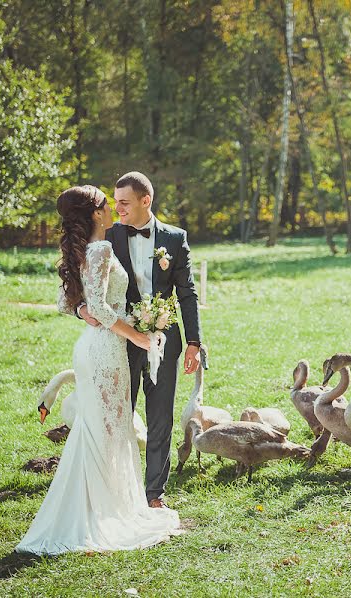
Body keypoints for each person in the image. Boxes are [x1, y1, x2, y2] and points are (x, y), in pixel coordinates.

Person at [16, 185, 182, 555]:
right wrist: (139, 338)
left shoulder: (82, 250)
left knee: (103, 429)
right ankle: (102, 516)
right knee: (110, 429)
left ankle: (102, 508)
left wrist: (81, 311)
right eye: (107, 205)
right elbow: (104, 312)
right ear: (94, 213)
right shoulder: (102, 249)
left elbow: (66, 301)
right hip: (106, 350)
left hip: (92, 349)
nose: (112, 209)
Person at [77, 171, 203, 508]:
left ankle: (154, 495)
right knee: (121, 414)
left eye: (124, 203)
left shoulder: (175, 239)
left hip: (166, 339)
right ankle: (115, 489)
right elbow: (79, 278)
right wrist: (79, 307)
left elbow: (187, 293)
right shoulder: (108, 236)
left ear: (145, 201)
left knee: (161, 416)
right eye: (114, 202)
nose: (117, 209)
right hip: (120, 339)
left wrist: (194, 342)